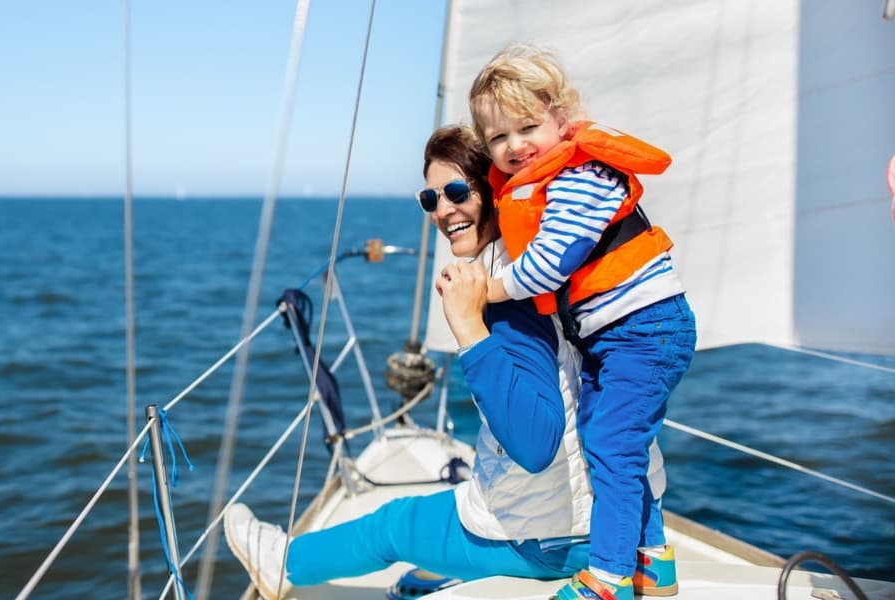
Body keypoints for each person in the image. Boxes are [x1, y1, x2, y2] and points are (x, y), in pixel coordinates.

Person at [222, 125, 660, 600]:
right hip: (611, 523)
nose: (442, 210)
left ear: (494, 188)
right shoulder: (543, 266)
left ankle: (284, 564)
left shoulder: (509, 295)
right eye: (429, 199)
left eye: (456, 192)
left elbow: (536, 446)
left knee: (392, 526)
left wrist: (468, 324)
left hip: (550, 540)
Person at [468, 43, 696, 600]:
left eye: (528, 128)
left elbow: (551, 262)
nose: (515, 146)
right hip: (615, 335)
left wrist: (485, 291)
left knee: (614, 446)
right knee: (604, 439)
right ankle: (651, 560)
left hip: (645, 330)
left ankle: (609, 578)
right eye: (498, 138)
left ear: (561, 116)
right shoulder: (544, 179)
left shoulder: (581, 175)